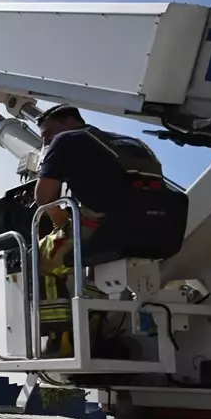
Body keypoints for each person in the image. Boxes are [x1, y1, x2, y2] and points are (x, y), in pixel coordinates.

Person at [32, 104, 165, 357]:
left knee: (42, 256)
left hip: (107, 232)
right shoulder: (132, 142)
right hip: (156, 231)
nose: (47, 140)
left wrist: (61, 222)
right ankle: (93, 330)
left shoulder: (66, 140)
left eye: (48, 133)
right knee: (94, 270)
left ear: (70, 122)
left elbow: (44, 196)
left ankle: (61, 340)